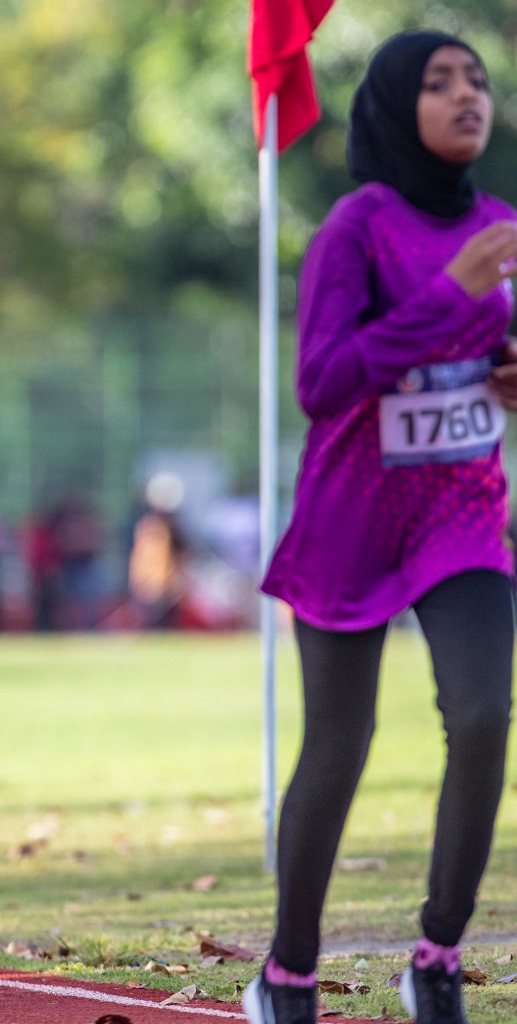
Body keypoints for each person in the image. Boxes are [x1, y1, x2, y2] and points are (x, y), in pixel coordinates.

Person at [249, 32, 517, 1024]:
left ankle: (439, 953)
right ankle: (287, 970)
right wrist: (451, 294)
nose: (466, 97)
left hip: (463, 513)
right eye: (440, 84)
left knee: (485, 716)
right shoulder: (356, 228)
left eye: (478, 82)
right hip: (352, 518)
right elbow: (320, 384)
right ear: (396, 107)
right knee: (339, 743)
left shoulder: (502, 225)